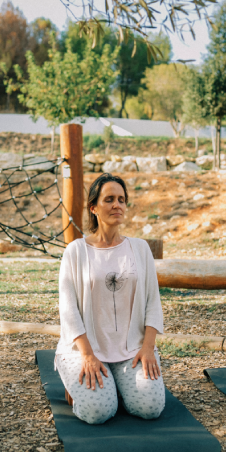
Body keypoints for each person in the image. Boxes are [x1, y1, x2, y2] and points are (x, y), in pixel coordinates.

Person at [56, 173, 165, 425]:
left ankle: (117, 386)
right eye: (109, 199)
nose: (117, 205)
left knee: (150, 407)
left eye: (121, 199)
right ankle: (97, 390)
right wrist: (87, 355)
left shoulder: (140, 248)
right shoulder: (75, 251)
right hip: (85, 349)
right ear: (93, 208)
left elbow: (152, 301)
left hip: (132, 350)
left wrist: (148, 348)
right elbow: (68, 309)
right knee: (98, 412)